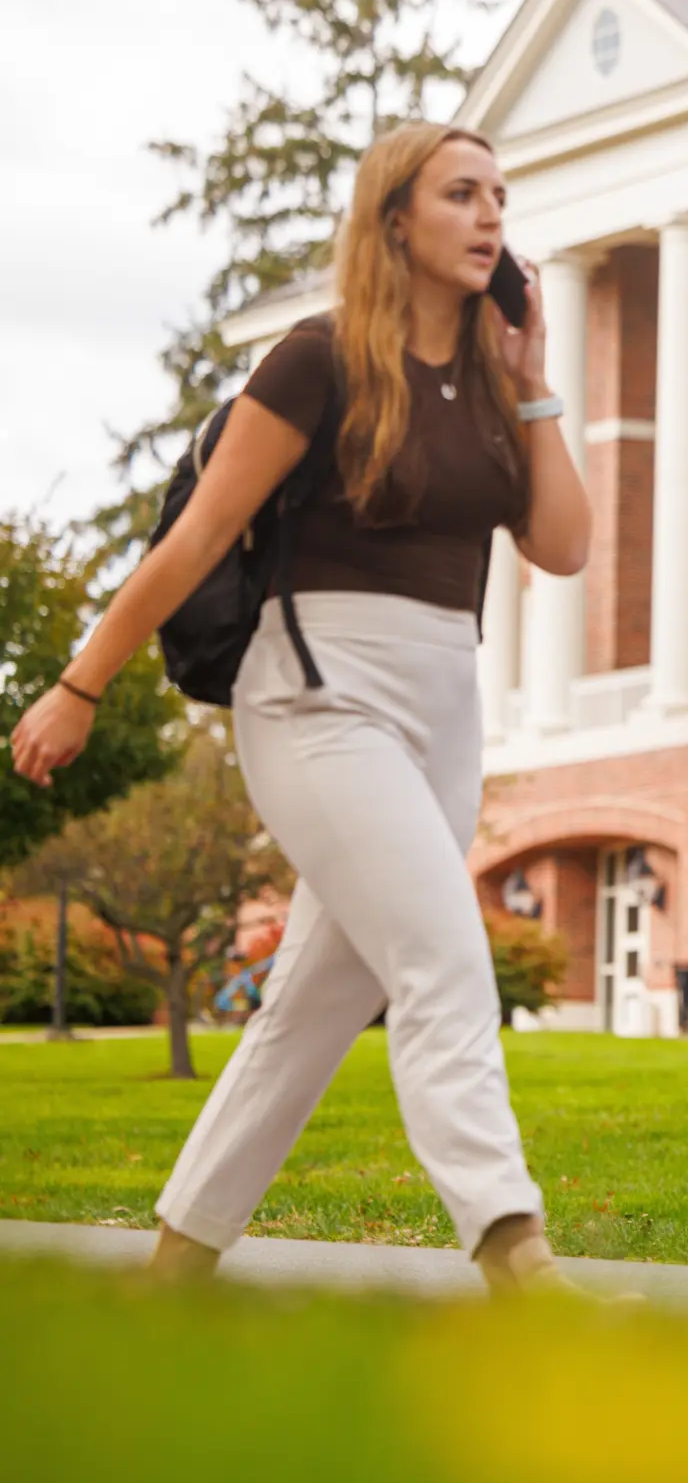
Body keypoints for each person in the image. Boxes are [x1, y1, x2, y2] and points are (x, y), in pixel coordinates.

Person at [6, 122, 591, 1292]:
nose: (490, 218)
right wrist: (80, 682)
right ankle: (517, 1256)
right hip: (317, 696)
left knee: (313, 1008)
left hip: (444, 699)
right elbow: (199, 539)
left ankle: (173, 1271)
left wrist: (531, 390)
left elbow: (564, 548)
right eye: (461, 194)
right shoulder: (317, 362)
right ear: (394, 220)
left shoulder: (489, 387)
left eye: (499, 198)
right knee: (440, 959)